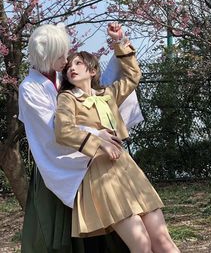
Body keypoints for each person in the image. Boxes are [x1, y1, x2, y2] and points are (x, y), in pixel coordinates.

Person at [54, 22, 180, 253]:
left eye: (79, 63)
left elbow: (133, 75)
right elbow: (63, 131)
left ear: (92, 71)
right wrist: (98, 142)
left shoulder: (108, 94)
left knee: (163, 241)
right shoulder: (67, 99)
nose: (72, 67)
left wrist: (118, 41)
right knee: (141, 245)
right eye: (69, 66)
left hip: (127, 167)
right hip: (99, 173)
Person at [18, 23, 129, 252]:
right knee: (58, 239)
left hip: (89, 158)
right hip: (56, 165)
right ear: (47, 56)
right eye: (61, 55)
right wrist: (96, 135)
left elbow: (98, 88)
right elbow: (54, 132)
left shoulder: (63, 78)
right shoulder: (30, 88)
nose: (67, 59)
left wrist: (119, 44)